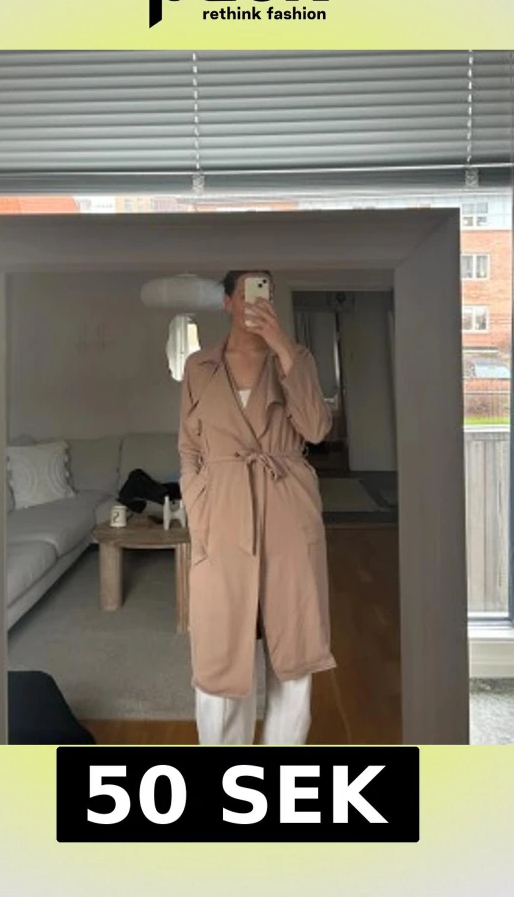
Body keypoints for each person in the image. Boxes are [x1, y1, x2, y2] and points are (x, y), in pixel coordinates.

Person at [178, 270, 337, 745]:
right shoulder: (199, 366)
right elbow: (189, 447)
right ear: (227, 302)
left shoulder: (295, 358)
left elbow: (316, 429)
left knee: (294, 636)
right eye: (245, 292)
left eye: (262, 291)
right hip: (222, 507)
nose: (253, 301)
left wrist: (284, 347)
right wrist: (198, 502)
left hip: (286, 501)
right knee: (221, 639)